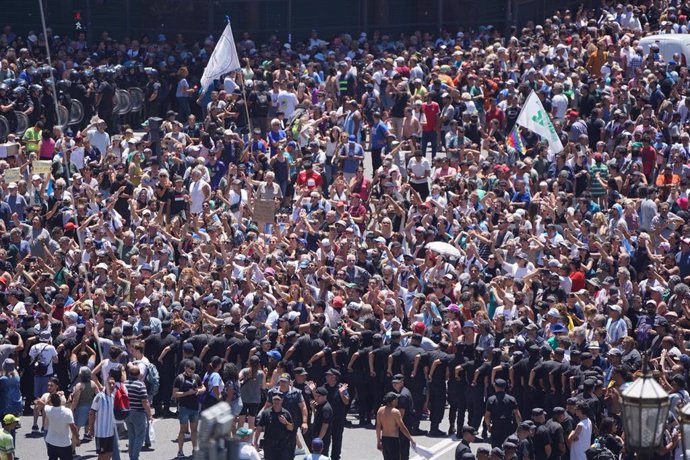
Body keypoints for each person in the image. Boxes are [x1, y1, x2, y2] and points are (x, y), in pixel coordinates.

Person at [172, 360, 205, 458]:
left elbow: (203, 387)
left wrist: (199, 391)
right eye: (189, 371)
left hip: (195, 407)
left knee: (194, 430)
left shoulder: (196, 377)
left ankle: (195, 450)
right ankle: (180, 451)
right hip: (184, 407)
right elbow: (175, 394)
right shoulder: (179, 378)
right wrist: (187, 393)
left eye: (192, 371)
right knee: (183, 430)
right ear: (185, 368)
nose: (191, 373)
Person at [35, 392, 81, 460]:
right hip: (64, 444)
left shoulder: (49, 410)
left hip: (51, 442)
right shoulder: (68, 412)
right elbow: (73, 427)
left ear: (51, 402)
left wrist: (49, 400)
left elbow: (45, 404)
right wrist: (77, 438)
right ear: (60, 401)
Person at [123, 365, 153, 460]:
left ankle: (131, 455)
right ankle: (134, 457)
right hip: (138, 413)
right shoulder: (140, 384)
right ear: (139, 374)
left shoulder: (125, 384)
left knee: (131, 436)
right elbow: (144, 401)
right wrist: (150, 414)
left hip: (127, 412)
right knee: (140, 436)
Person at [375, 392, 416, 460]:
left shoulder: (380, 410)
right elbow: (402, 427)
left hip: (384, 439)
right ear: (393, 401)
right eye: (396, 399)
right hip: (393, 440)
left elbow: (378, 427)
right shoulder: (395, 412)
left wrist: (378, 441)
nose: (398, 401)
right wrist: (411, 438)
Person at [254, 394, 295, 460]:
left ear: (282, 401)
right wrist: (255, 442)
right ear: (272, 401)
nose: (276, 402)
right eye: (275, 400)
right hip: (269, 445)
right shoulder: (266, 413)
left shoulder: (286, 413)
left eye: (278, 400)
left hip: (283, 445)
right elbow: (259, 427)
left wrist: (286, 423)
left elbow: (291, 428)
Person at [88, 368, 117, 460]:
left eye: (113, 383)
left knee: (109, 454)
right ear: (105, 384)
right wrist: (91, 428)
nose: (112, 385)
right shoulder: (100, 397)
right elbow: (92, 413)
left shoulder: (112, 397)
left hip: (110, 432)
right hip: (101, 433)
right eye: (109, 383)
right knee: (102, 455)